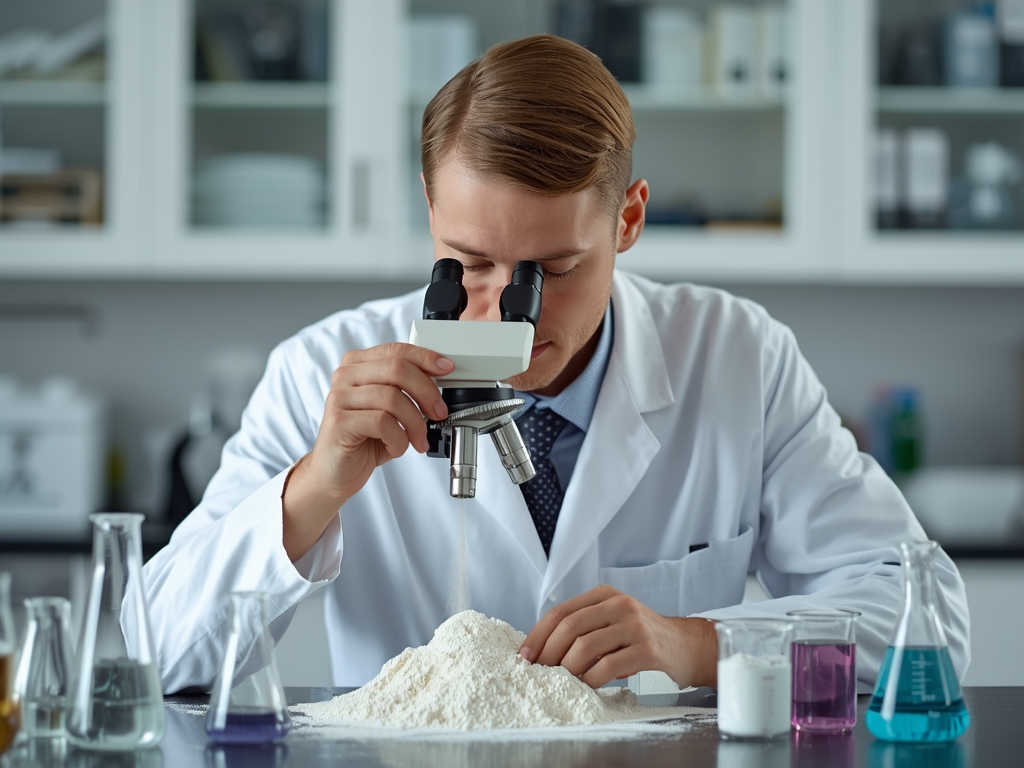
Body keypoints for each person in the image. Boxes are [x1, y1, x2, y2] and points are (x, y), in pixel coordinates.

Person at [140, 35, 969, 694]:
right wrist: (313, 488)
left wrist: (699, 644)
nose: (505, 312)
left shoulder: (737, 356)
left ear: (629, 221)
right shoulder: (320, 370)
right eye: (468, 262)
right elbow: (154, 653)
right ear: (429, 205)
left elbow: (926, 627)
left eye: (554, 273)